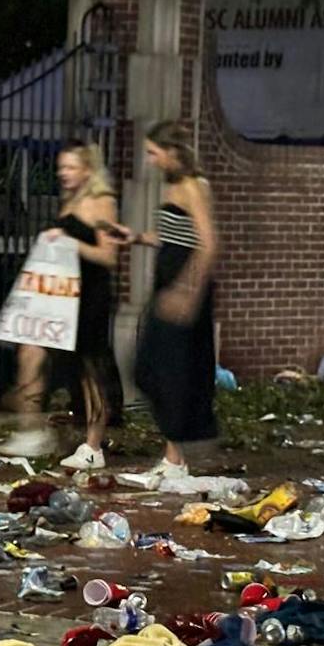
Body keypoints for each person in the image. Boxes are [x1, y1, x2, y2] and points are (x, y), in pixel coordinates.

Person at [135, 120, 219, 477]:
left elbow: (208, 243)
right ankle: (173, 455)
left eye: (154, 153)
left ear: (172, 153)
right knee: (155, 367)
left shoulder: (191, 186)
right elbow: (176, 235)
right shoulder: (175, 186)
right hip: (168, 281)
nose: (151, 161)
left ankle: (175, 459)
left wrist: (187, 292)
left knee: (161, 368)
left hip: (183, 287)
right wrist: (138, 237)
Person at [49, 144, 126, 470]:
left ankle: (94, 444)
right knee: (77, 368)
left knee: (93, 367)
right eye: (61, 167)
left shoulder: (102, 202)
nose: (63, 173)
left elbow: (108, 256)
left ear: (87, 169)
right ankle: (89, 438)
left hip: (92, 293)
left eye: (70, 167)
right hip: (70, 293)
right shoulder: (72, 202)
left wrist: (69, 242)